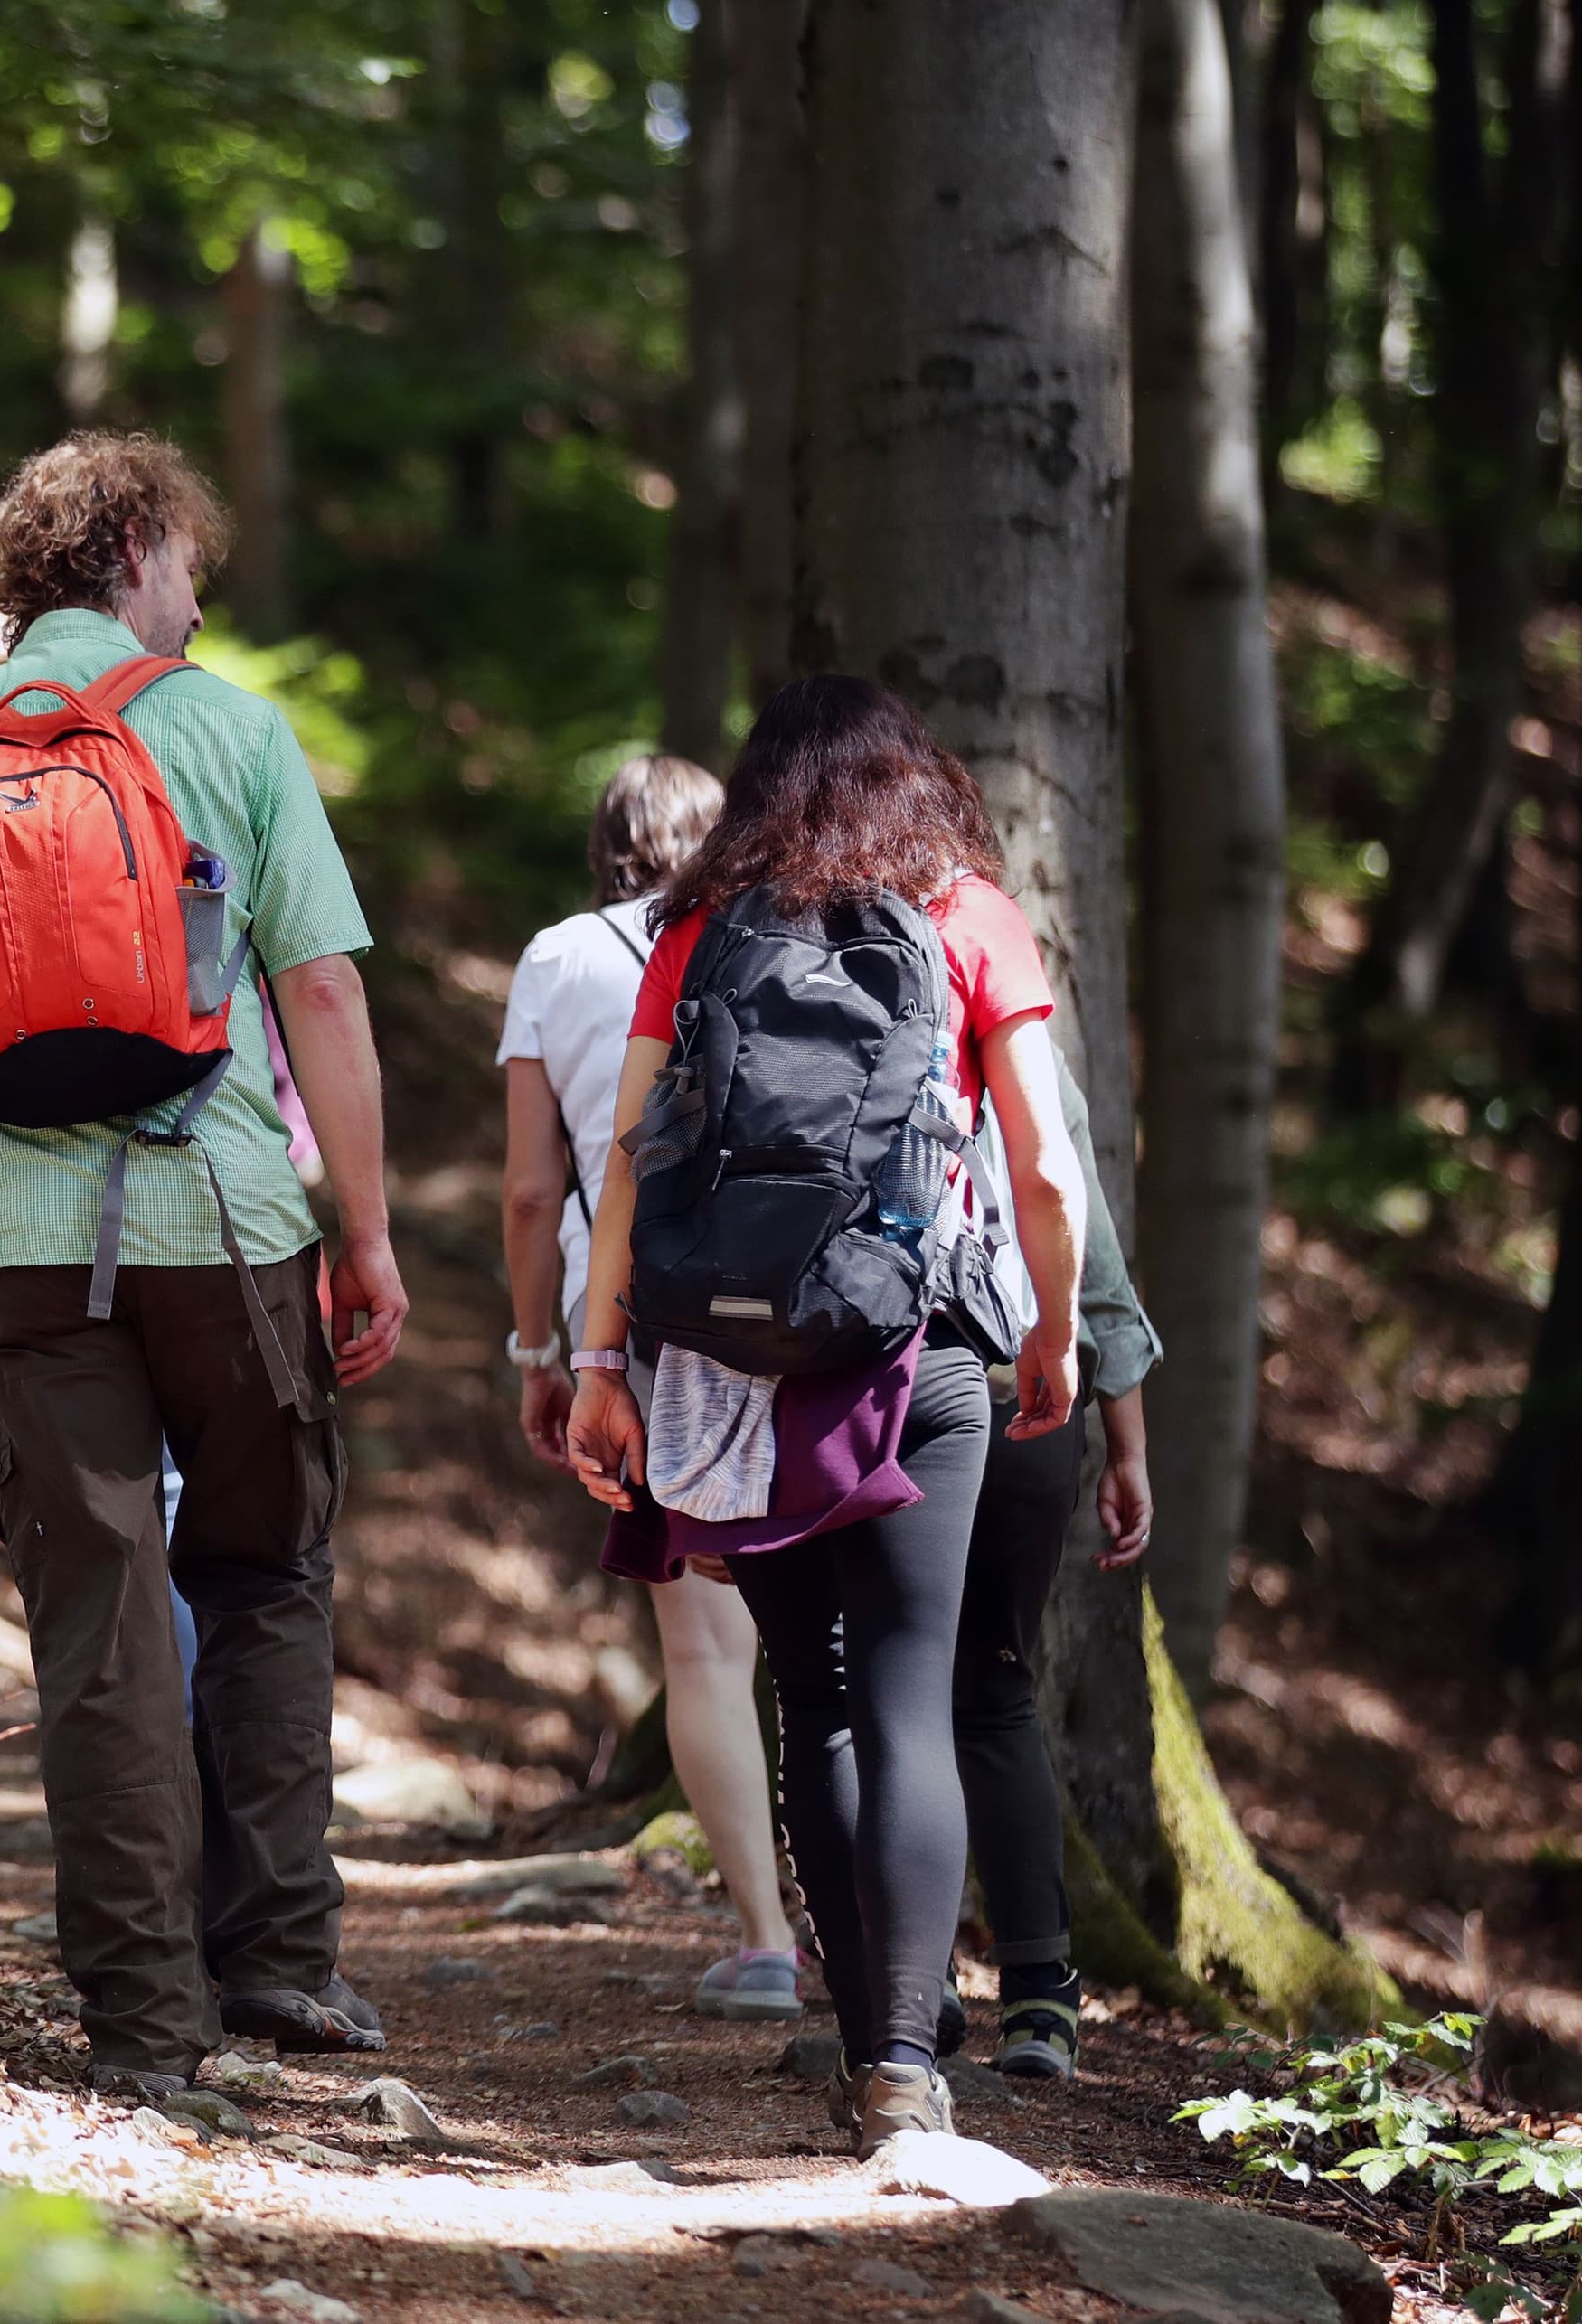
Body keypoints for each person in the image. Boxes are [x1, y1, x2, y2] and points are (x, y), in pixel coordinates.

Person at [0, 431, 408, 2126]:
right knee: (264, 1572)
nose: (197, 605)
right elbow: (325, 994)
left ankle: (144, 2018)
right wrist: (364, 1231)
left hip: (14, 1243)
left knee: (98, 1612)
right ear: (135, 548)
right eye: (191, 569)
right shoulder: (230, 730)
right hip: (227, 1223)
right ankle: (277, 1957)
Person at [563, 674, 1085, 2159]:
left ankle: (867, 2039)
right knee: (914, 1696)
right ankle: (910, 2067)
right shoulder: (969, 913)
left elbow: (631, 1157)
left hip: (731, 1367)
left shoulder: (696, 927)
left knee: (819, 1699)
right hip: (916, 1346)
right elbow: (1044, 1168)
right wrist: (1053, 1332)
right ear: (920, 781)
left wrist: (601, 1363)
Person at [496, 752, 805, 2021]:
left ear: (604, 844)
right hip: (793, 1299)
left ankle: (768, 1938)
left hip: (631, 1310)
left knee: (704, 1643)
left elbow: (532, 1190)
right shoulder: (777, 936)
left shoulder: (558, 957)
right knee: (829, 1616)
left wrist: (540, 1351)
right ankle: (886, 1943)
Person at [941, 1052, 1161, 2079]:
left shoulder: (823, 997)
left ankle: (911, 1981)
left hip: (879, 1401)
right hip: (1020, 1398)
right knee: (995, 1697)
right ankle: (1038, 1997)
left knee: (880, 1693)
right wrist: (1128, 1448)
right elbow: (1094, 1263)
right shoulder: (1024, 1045)